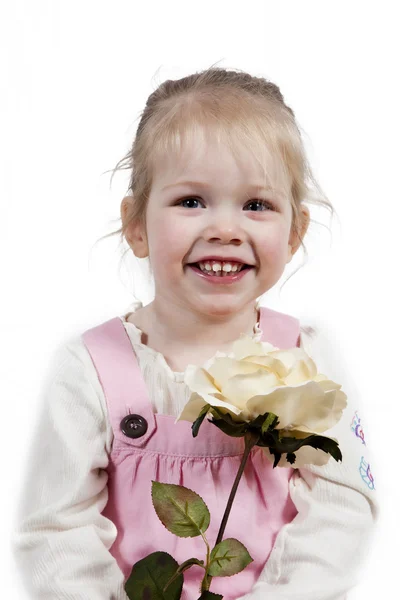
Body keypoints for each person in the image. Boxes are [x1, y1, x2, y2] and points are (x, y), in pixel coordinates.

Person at [10, 66, 380, 600]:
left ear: (294, 231)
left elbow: (344, 507)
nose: (226, 229)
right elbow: (55, 529)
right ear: (137, 224)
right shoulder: (93, 368)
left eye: (257, 205)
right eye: (191, 201)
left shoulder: (305, 357)